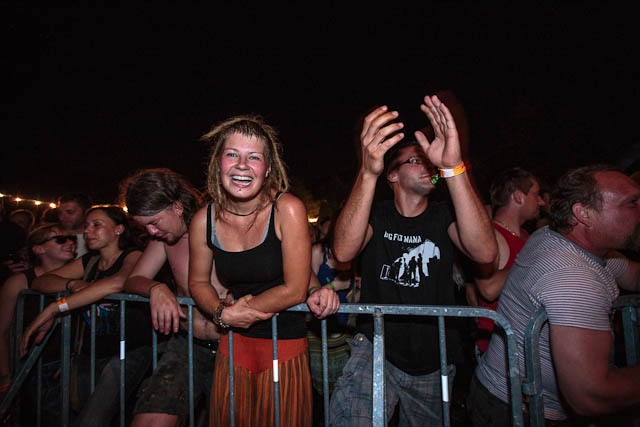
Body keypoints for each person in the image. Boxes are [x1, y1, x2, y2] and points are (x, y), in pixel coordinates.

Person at [329, 95, 497, 426]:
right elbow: (344, 253)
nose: (427, 167)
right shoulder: (376, 214)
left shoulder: (443, 216)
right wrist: (367, 172)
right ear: (392, 176)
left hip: (433, 359)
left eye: (429, 163)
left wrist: (452, 166)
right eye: (415, 161)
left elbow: (485, 254)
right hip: (375, 349)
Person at [189, 115, 338, 427]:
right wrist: (222, 314)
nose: (242, 165)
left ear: (268, 170)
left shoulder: (289, 209)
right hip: (233, 345)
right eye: (232, 154)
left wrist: (242, 311)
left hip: (284, 344)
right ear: (219, 164)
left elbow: (295, 288)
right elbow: (198, 282)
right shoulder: (203, 220)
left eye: (254, 157)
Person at [470, 165, 640, 424]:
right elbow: (590, 395)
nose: (540, 201)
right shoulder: (572, 277)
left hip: (504, 395)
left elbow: (629, 273)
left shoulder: (546, 235)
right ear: (583, 214)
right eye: (631, 203)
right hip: (520, 411)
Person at [21, 205, 148, 427]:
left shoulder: (134, 255)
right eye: (87, 225)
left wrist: (56, 307)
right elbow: (40, 281)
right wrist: (72, 283)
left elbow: (117, 283)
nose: (88, 231)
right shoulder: (89, 261)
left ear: (118, 229)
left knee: (92, 420)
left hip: (128, 352)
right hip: (90, 354)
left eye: (96, 225)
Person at [120, 168, 227, 427]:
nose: (152, 231)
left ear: (177, 207)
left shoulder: (222, 226)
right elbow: (134, 279)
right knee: (148, 420)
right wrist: (156, 288)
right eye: (145, 226)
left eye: (154, 221)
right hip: (186, 346)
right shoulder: (164, 241)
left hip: (232, 347)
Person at [470, 167, 544, 354]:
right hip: (499, 347)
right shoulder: (492, 236)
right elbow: (488, 289)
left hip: (525, 343)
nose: (541, 202)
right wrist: (533, 258)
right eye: (536, 195)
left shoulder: (527, 236)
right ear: (518, 197)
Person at [0, 223, 76, 399]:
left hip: (66, 368)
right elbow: (2, 331)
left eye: (71, 238)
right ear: (39, 249)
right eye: (60, 240)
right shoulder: (19, 281)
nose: (70, 243)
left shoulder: (80, 278)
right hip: (28, 366)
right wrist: (4, 377)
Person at [56, 193, 92, 258]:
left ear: (86, 212)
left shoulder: (97, 239)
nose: (61, 217)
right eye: (59, 213)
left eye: (70, 212)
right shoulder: (53, 239)